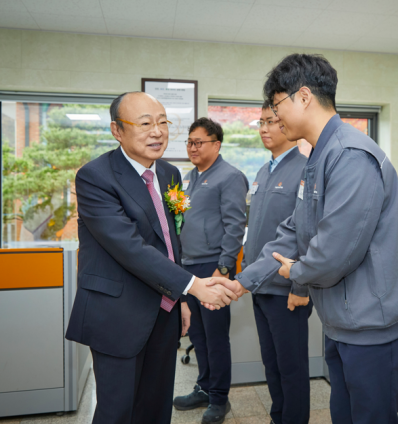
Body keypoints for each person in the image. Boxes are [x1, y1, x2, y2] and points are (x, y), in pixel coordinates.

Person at [219, 54, 398, 424]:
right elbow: (293, 231)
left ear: (305, 97)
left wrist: (295, 272)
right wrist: (242, 282)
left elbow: (334, 254)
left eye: (278, 105)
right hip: (344, 322)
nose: (275, 117)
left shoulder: (349, 155)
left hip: (374, 328)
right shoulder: (318, 157)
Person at [65, 92, 238, 424]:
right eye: (145, 123)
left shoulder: (169, 174)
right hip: (117, 314)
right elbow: (130, 247)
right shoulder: (95, 177)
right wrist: (194, 287)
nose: (157, 131)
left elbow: (170, 242)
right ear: (117, 130)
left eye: (162, 122)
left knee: (156, 409)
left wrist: (181, 300)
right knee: (117, 412)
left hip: (164, 310)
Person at [172, 117, 248, 424]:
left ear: (216, 144)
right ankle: (203, 387)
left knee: (216, 337)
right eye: (189, 142)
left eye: (198, 142)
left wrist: (224, 268)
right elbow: (178, 223)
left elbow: (235, 225)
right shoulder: (187, 178)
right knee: (199, 335)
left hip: (212, 266)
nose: (192, 147)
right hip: (189, 268)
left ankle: (219, 398)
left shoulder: (229, 176)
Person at [242, 101, 313, 424]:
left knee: (292, 367)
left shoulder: (305, 169)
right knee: (271, 364)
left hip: (287, 288)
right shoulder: (261, 171)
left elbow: (308, 235)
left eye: (272, 122)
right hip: (260, 285)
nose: (265, 129)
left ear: (286, 125)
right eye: (261, 123)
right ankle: (278, 417)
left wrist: (301, 285)